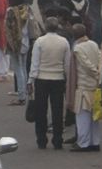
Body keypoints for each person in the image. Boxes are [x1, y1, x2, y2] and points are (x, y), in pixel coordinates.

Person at [28, 18, 71, 150]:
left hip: (41, 79)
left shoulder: (40, 42)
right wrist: (67, 79)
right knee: (57, 110)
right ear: (57, 27)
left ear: (46, 27)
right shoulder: (64, 42)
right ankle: (57, 140)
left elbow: (35, 63)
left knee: (41, 111)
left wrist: (31, 80)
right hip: (58, 79)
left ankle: (41, 140)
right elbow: (67, 64)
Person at [71, 23, 102, 151]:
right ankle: (95, 142)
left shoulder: (77, 48)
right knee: (94, 117)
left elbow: (86, 65)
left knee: (82, 117)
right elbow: (101, 61)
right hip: (95, 86)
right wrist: (99, 76)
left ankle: (83, 143)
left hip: (83, 86)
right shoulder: (94, 44)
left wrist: (94, 72)